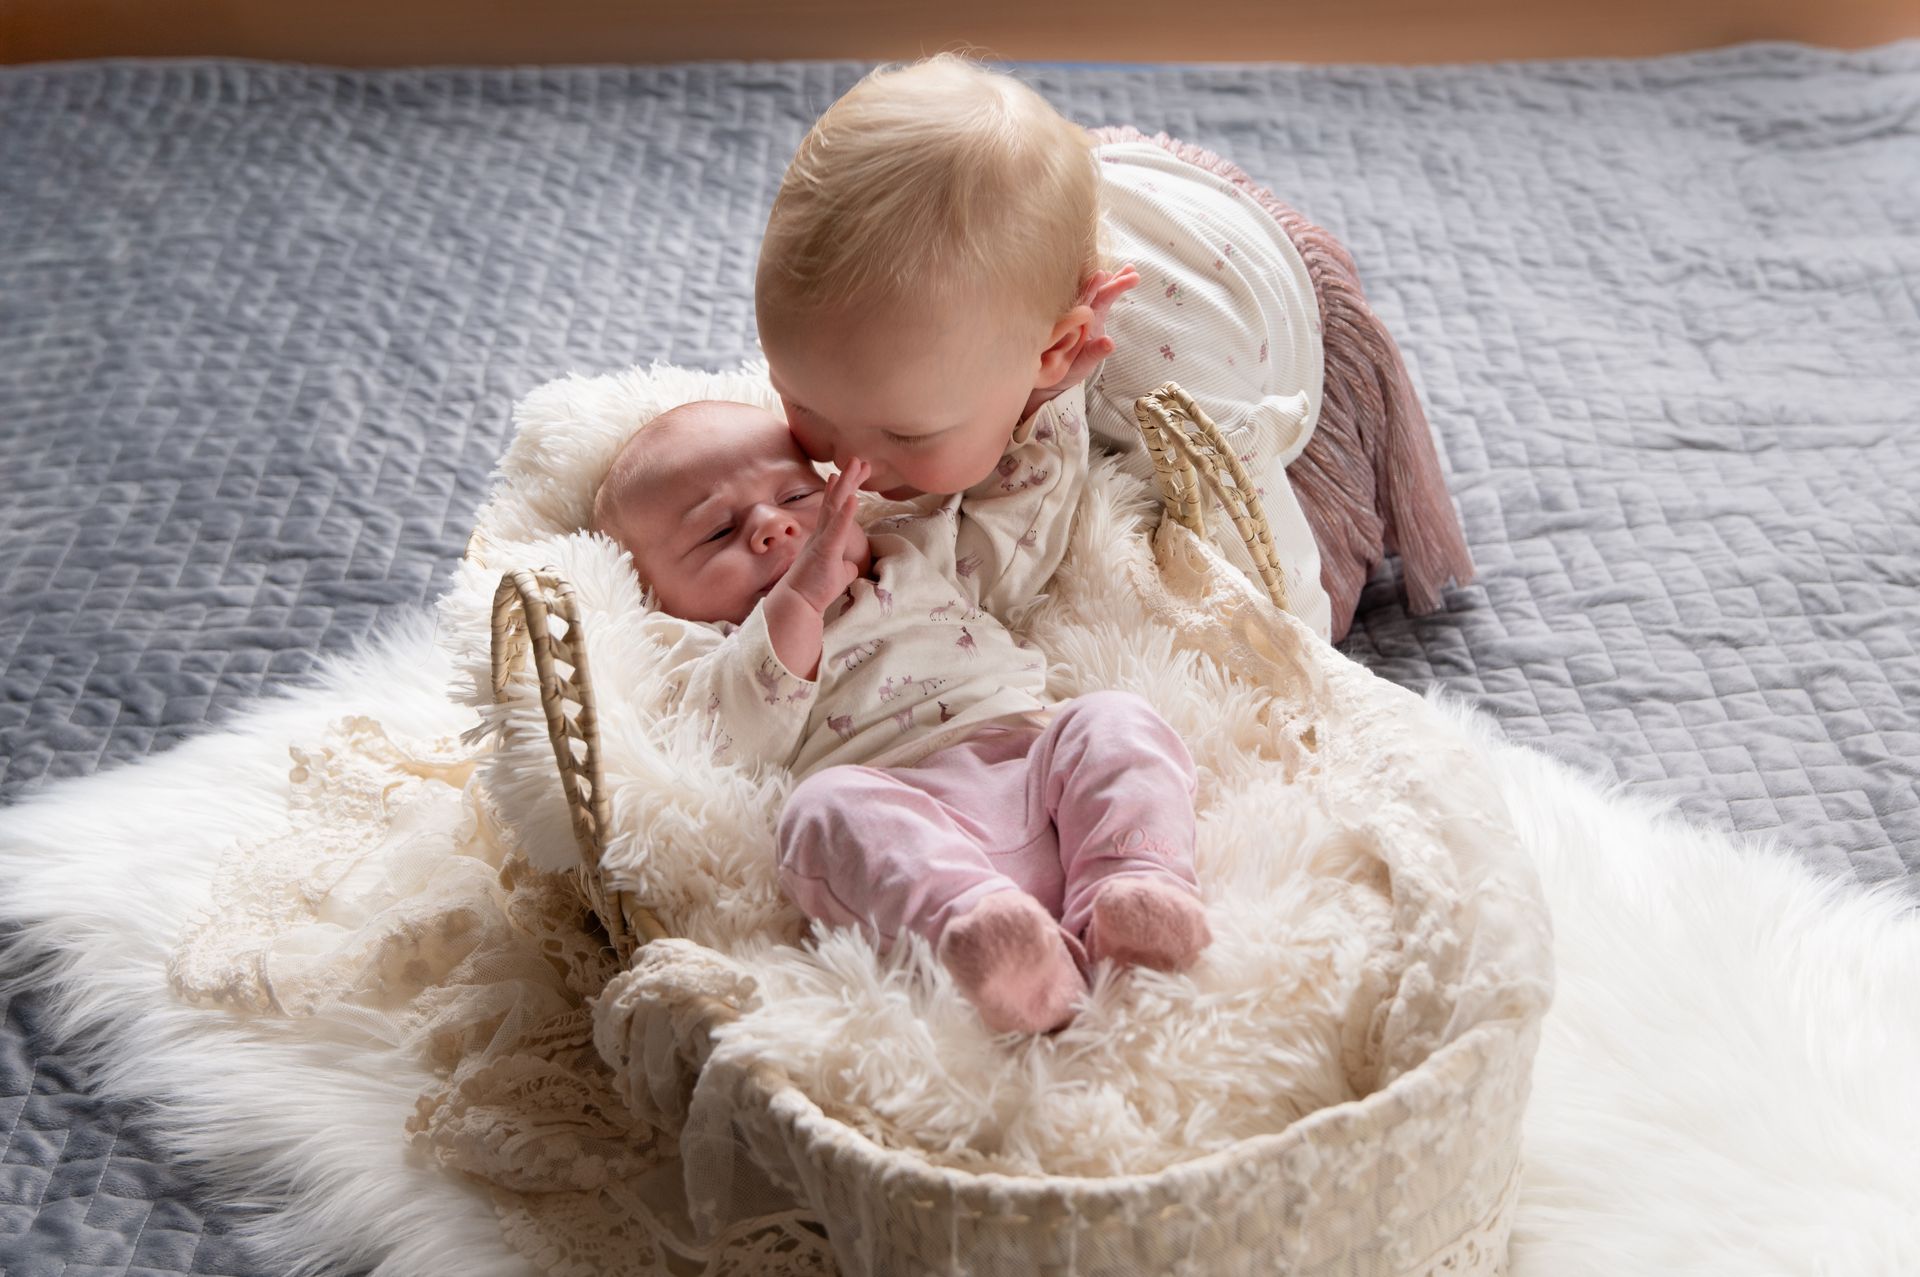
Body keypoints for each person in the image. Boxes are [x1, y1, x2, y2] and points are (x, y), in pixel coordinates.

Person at [755, 54, 1474, 642]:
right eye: (801, 401)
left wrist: (1287, 651)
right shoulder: (924, 355)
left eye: (907, 432)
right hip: (1102, 194)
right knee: (997, 209)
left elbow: (1283, 596)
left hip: (1259, 314)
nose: (847, 463)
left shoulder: (1167, 407)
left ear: (1056, 350)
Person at [591, 393, 1211, 1036]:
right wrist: (799, 597)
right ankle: (986, 936)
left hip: (1032, 766)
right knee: (822, 810)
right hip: (901, 820)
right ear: (654, 593)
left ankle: (1136, 889)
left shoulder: (911, 551)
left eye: (799, 498)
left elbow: (1023, 517)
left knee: (1113, 719)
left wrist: (1044, 395)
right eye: (719, 531)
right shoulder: (706, 653)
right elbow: (727, 742)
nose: (773, 528)